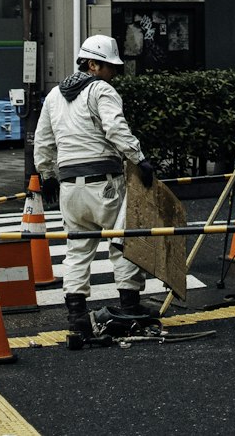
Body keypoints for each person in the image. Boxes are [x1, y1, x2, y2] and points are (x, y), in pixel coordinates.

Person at [34, 33, 156, 345]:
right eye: (110, 66)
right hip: (104, 182)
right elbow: (115, 128)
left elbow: (43, 141)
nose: (114, 72)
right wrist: (139, 159)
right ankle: (129, 310)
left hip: (69, 188)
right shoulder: (102, 90)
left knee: (77, 251)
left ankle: (77, 321)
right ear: (92, 65)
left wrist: (46, 175)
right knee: (122, 244)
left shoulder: (53, 97)